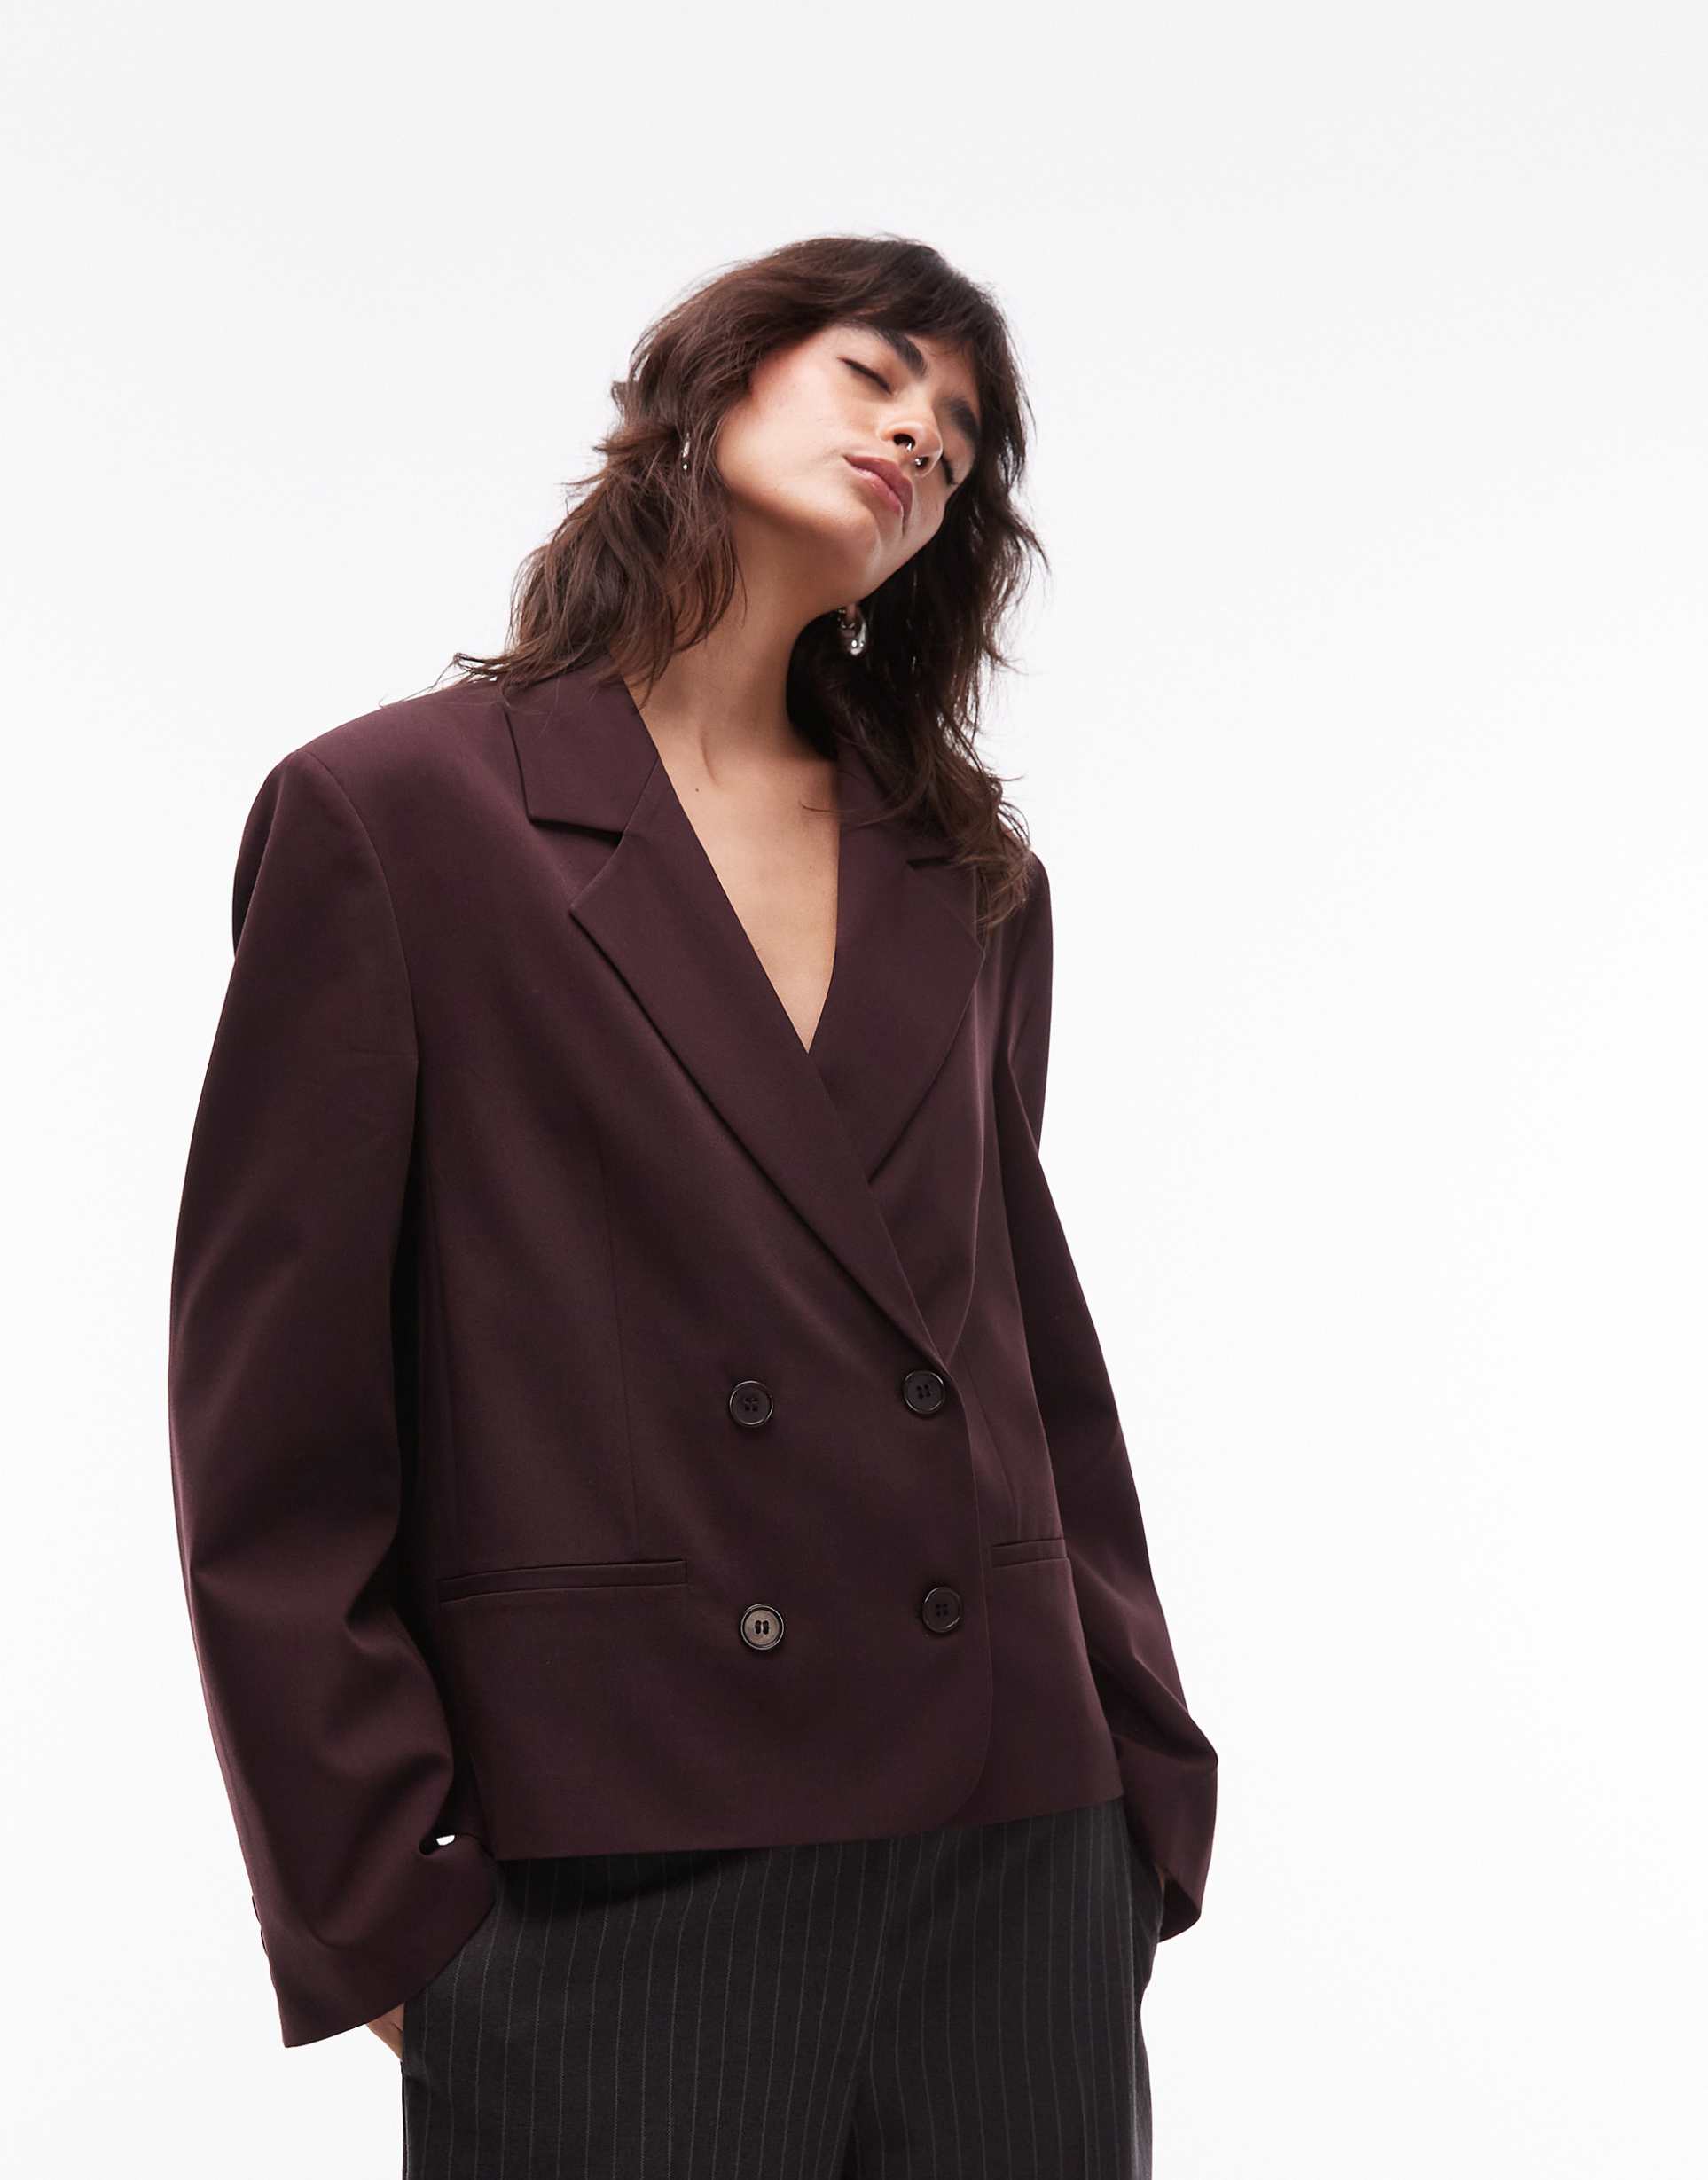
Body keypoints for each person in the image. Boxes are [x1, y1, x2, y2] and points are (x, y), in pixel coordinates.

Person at [167, 232, 1218, 2177]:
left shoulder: (968, 874)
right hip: (614, 1860)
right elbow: (276, 1412)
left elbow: (1020, 1345)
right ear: (716, 384)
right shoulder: (400, 816)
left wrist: (1143, 1773)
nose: (922, 433)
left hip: (1013, 1848)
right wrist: (375, 1894)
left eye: (962, 433)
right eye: (876, 371)